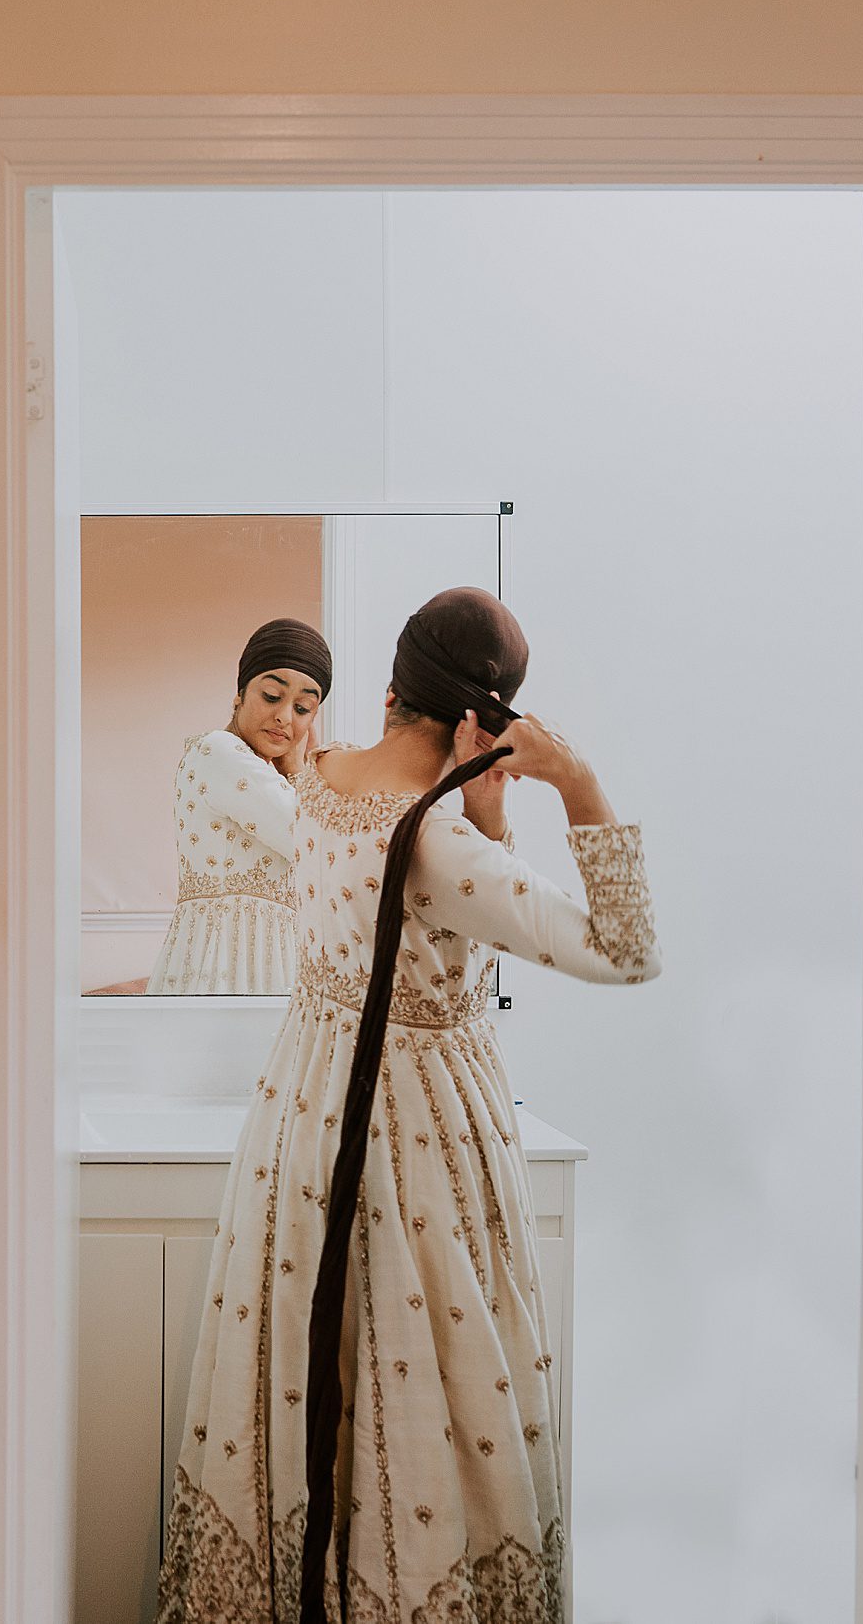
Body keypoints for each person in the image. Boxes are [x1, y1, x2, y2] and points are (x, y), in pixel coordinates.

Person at [155, 588, 658, 1624]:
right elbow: (626, 950)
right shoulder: (435, 843)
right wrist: (577, 779)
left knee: (303, 1356)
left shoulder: (320, 777)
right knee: (415, 1375)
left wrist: (489, 815)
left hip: (303, 1108)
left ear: (390, 686)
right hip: (417, 1125)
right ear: (488, 716)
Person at [149, 617, 332, 994]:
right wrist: (297, 765)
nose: (284, 716)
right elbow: (315, 841)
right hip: (221, 964)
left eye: (303, 708)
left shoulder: (271, 778)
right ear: (240, 694)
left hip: (276, 961)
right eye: (271, 696)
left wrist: (293, 769)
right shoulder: (218, 751)